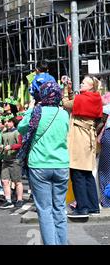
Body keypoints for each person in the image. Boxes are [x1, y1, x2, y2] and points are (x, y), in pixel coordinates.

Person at [18, 81, 70, 245]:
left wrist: (31, 107)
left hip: (39, 164)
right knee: (59, 208)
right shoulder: (64, 114)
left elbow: (21, 128)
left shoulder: (36, 113)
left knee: (45, 210)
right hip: (61, 164)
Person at [62, 75, 102, 218]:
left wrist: (66, 89)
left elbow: (66, 103)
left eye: (84, 83)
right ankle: (93, 206)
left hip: (79, 136)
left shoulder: (81, 98)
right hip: (89, 137)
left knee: (77, 173)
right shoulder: (96, 98)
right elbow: (76, 103)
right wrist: (72, 91)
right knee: (87, 173)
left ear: (91, 86)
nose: (82, 84)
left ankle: (82, 207)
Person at [0, 113, 24, 209]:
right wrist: (1, 147)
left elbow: (21, 144)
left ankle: (20, 199)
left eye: (9, 121)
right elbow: (2, 144)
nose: (7, 123)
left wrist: (12, 147)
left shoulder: (17, 132)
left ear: (13, 122)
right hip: (5, 159)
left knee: (17, 181)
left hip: (15, 160)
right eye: (6, 122)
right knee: (4, 180)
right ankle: (8, 200)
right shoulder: (3, 134)